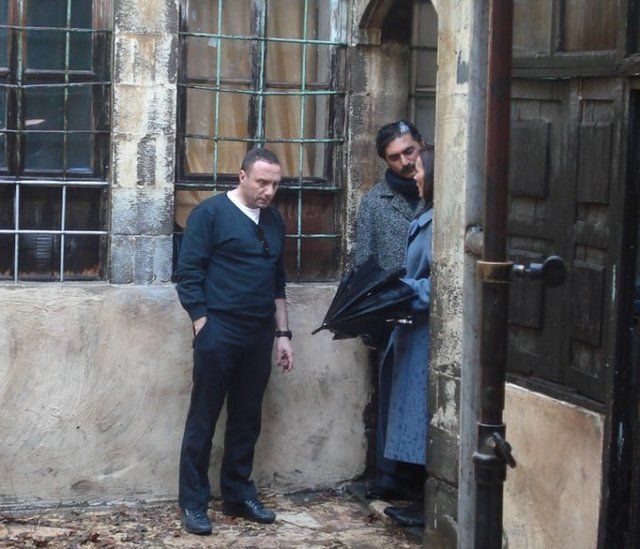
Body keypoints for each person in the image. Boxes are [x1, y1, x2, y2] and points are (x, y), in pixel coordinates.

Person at [175, 147, 294, 536]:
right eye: (262, 182)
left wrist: (283, 334)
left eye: (275, 184)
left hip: (259, 333)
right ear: (242, 177)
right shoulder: (209, 214)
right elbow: (188, 273)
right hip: (219, 330)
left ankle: (238, 494)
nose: (268, 191)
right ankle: (193, 503)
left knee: (247, 417)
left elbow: (278, 284)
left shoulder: (274, 220)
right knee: (204, 417)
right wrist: (201, 323)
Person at [354, 120, 425, 501]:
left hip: (429, 310)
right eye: (395, 157)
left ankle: (423, 476)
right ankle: (390, 475)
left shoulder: (439, 192)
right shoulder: (374, 203)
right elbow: (364, 262)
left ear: (421, 145)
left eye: (409, 151)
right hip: (391, 313)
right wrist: (369, 316)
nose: (404, 162)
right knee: (390, 396)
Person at [383, 146, 435, 528]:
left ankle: (424, 505)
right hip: (410, 331)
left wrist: (402, 291)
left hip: (426, 336)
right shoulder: (424, 214)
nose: (413, 175)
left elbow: (439, 284)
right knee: (410, 417)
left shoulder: (439, 222)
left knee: (420, 419)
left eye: (418, 168)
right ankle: (416, 499)